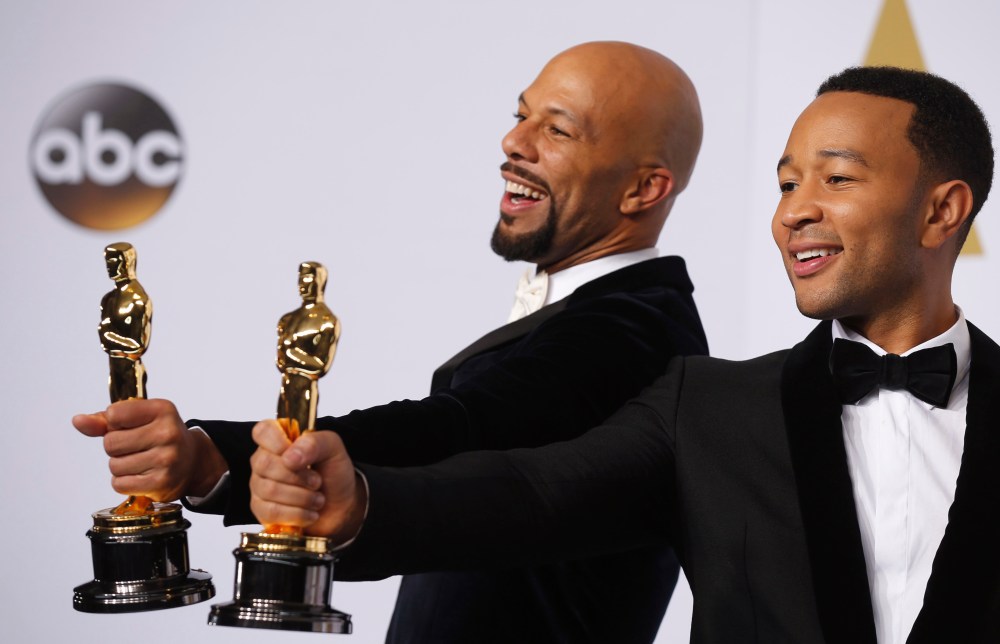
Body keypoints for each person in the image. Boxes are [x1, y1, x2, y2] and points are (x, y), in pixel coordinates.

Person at [247, 66, 999, 644]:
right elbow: (530, 493)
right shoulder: (709, 409)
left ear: (942, 210)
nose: (795, 210)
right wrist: (358, 507)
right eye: (786, 182)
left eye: (836, 178)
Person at [73, 41, 708, 643]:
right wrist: (210, 458)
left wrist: (219, 460)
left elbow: (455, 432)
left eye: (557, 130)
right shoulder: (606, 313)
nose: (513, 142)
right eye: (521, 115)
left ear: (642, 189)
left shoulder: (635, 334)